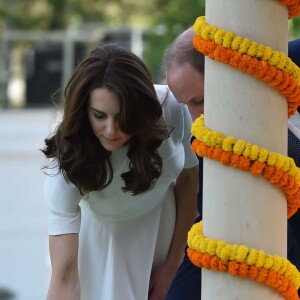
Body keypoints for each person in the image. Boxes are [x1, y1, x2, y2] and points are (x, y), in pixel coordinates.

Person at [42, 43, 199, 300]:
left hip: (168, 232)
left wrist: (173, 263)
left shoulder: (172, 109)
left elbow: (189, 180)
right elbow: (64, 278)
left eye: (123, 115)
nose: (112, 130)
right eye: (99, 115)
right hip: (106, 247)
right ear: (83, 110)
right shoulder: (65, 171)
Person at [164, 28, 300, 299]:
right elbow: (216, 222)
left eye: (199, 101)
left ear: (231, 72)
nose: (194, 116)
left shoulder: (291, 65)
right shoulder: (209, 141)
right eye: (185, 105)